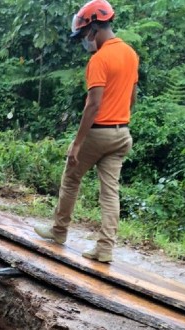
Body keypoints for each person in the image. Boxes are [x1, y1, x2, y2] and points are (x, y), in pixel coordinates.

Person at [34, 0, 138, 263]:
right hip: (121, 133)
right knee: (110, 192)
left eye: (83, 35)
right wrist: (122, 119)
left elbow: (93, 105)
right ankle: (105, 248)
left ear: (94, 28)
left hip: (98, 132)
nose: (84, 41)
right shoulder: (130, 54)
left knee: (71, 178)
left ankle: (58, 232)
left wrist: (77, 144)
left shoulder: (100, 59)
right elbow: (132, 96)